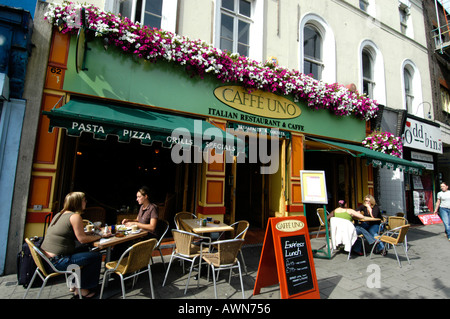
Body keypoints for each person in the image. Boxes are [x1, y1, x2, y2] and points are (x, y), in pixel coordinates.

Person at [41, 192, 110, 299]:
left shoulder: (59, 215)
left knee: (86, 250)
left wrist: (90, 234)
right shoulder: (75, 217)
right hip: (58, 261)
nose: (86, 202)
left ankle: (74, 284)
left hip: (46, 260)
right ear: (78, 202)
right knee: (95, 257)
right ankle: (83, 290)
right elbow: (82, 239)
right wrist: (101, 236)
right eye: (84, 200)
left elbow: (71, 234)